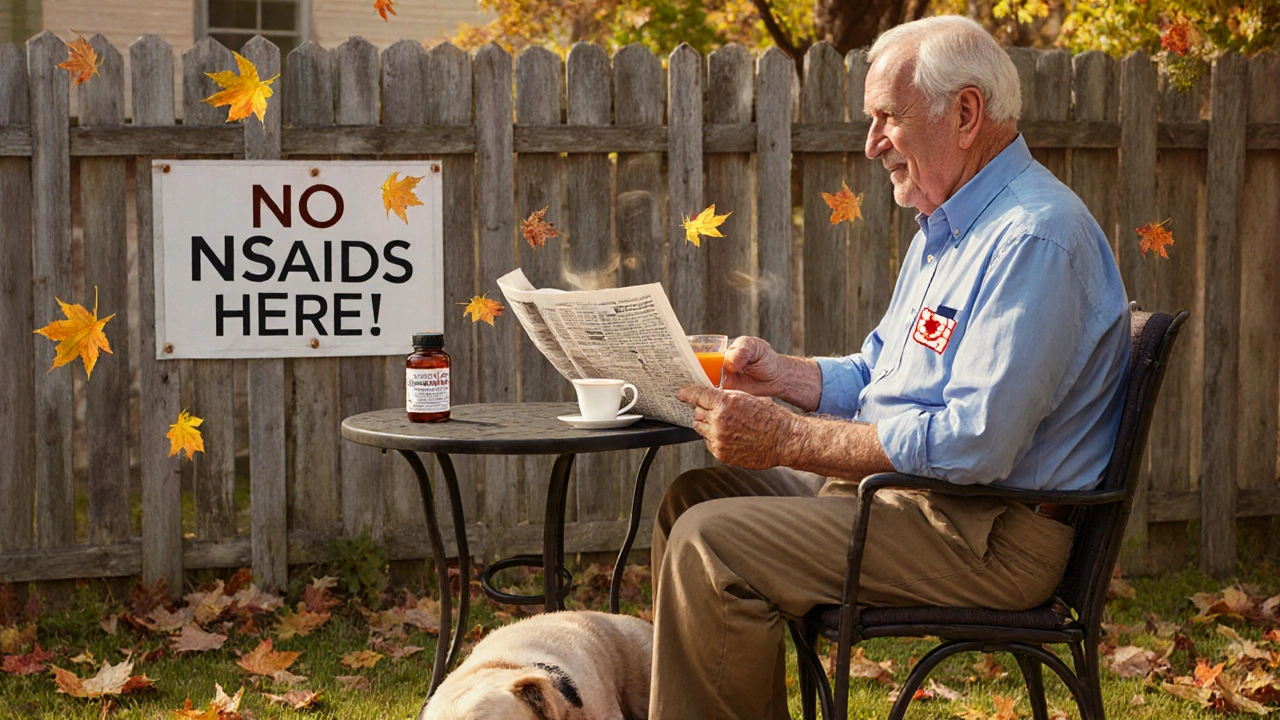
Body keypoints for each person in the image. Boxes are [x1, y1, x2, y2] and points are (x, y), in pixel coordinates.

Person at [651, 14, 1131, 720]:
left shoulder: (1033, 238)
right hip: (918, 502)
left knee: (709, 542)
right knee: (694, 498)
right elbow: (882, 374)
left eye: (886, 118)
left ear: (965, 113)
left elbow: (975, 442)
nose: (871, 143)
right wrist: (786, 377)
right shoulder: (949, 231)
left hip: (986, 536)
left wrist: (789, 440)